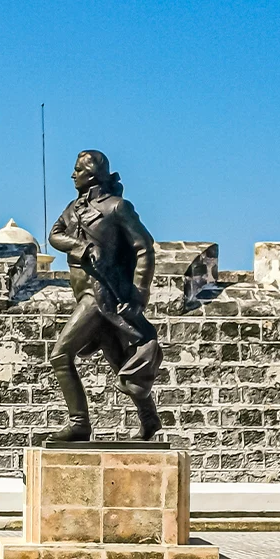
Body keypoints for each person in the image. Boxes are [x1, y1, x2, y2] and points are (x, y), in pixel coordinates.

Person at [47, 150, 164, 442]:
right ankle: (149, 418)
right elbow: (55, 234)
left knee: (60, 355)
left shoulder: (117, 208)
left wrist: (139, 292)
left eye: (77, 170)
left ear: (92, 175)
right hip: (83, 292)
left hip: (101, 295)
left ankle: (79, 423)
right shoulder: (74, 207)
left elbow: (144, 248)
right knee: (119, 359)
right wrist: (81, 246)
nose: (72, 175)